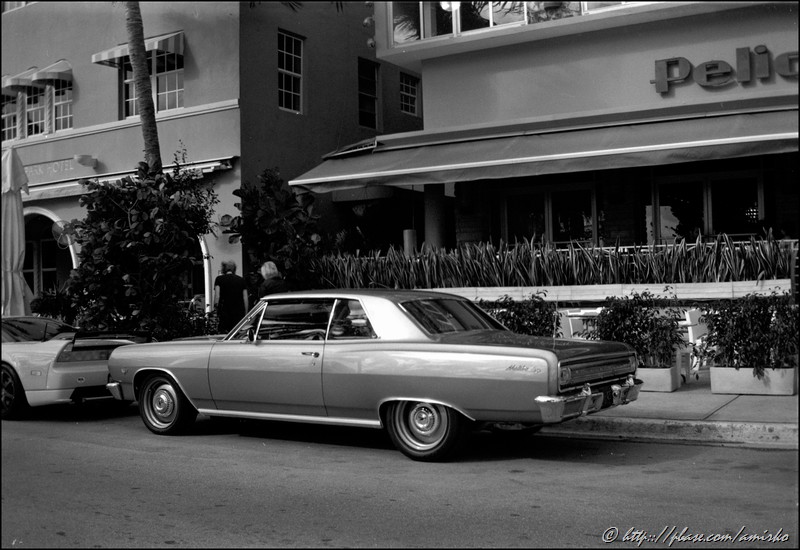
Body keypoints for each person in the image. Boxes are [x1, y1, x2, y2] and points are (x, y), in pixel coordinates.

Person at [213, 260, 248, 333]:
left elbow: (217, 296)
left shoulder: (219, 279)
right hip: (238, 312)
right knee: (236, 333)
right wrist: (246, 312)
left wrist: (215, 310)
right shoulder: (241, 280)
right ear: (234, 269)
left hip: (224, 311)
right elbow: (245, 298)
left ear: (224, 269)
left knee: (224, 334)